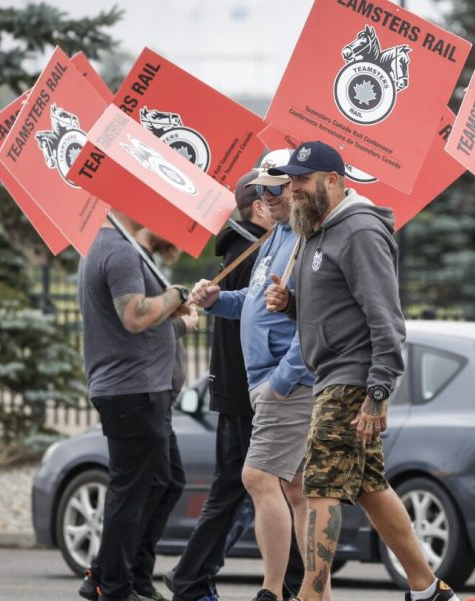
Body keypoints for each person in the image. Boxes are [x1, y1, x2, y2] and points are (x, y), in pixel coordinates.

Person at [264, 141, 459, 601]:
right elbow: (336, 311)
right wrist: (291, 304)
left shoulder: (360, 233)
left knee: (319, 488)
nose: (292, 189)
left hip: (352, 378)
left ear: (332, 180)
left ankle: (311, 597)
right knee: (370, 486)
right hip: (335, 372)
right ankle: (429, 589)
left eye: (301, 181)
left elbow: (385, 316)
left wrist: (378, 390)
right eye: (289, 181)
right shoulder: (318, 231)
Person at [189, 149, 319, 601]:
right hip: (269, 380)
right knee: (297, 489)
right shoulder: (279, 236)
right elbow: (254, 299)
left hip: (283, 382)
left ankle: (273, 591)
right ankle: (310, 592)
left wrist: (283, 380)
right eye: (260, 188)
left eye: (274, 187)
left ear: (296, 188)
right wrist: (215, 300)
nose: (265, 197)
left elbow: (315, 318)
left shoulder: (304, 237)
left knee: (258, 479)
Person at [167, 170, 276, 601]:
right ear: (258, 207)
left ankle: (193, 576)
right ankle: (192, 578)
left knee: (240, 489)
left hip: (235, 384)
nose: (281, 201)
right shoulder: (250, 251)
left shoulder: (248, 246)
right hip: (244, 385)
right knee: (241, 489)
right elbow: (257, 315)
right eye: (273, 196)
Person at [77, 210, 191, 601]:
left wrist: (173, 315)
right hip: (132, 391)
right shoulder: (120, 251)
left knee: (165, 480)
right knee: (130, 492)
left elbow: (136, 320)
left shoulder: (115, 248)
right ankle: (113, 586)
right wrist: (175, 295)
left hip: (143, 389)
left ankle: (127, 575)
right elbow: (133, 316)